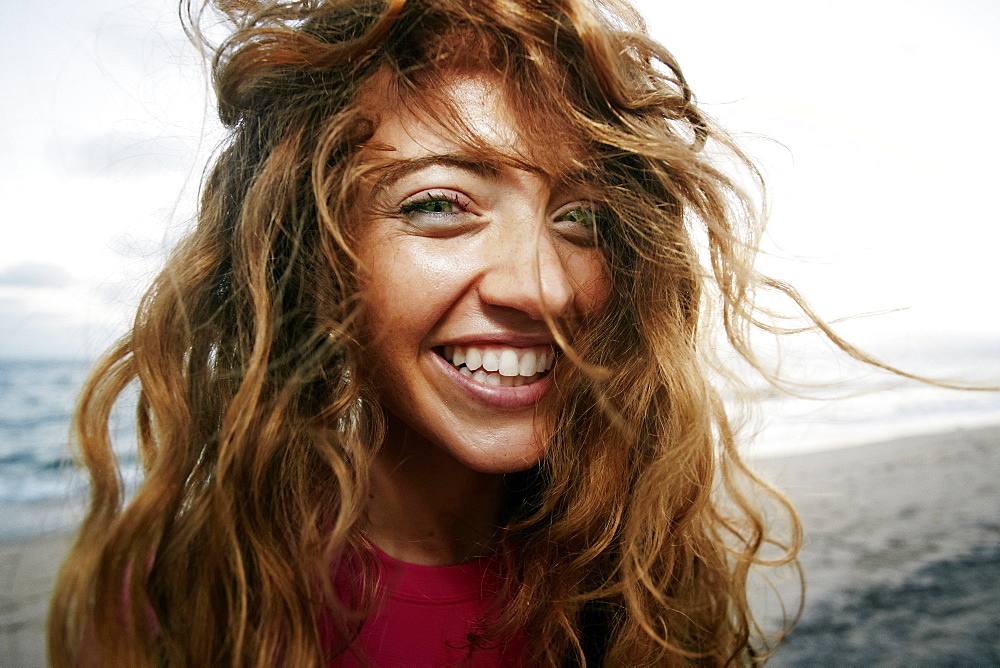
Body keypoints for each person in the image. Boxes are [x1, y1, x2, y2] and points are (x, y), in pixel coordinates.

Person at [48, 0, 814, 664]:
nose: (542, 286)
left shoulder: (643, 571)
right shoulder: (172, 603)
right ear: (311, 254)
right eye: (440, 204)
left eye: (581, 219)